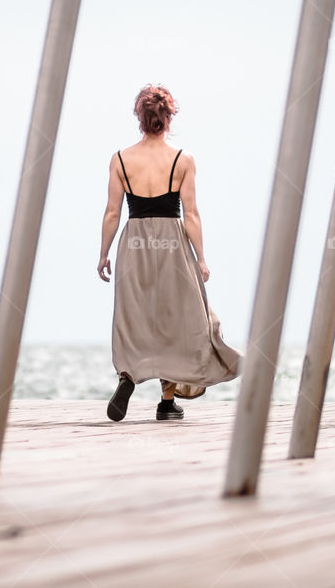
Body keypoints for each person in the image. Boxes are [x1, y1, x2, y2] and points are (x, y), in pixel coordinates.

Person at [98, 85, 241, 422]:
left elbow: (112, 213)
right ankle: (166, 401)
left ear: (140, 117)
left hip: (134, 240)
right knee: (175, 317)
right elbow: (191, 213)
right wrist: (201, 257)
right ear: (168, 116)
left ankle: (128, 376)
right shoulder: (182, 159)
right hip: (172, 242)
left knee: (134, 315)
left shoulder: (120, 159)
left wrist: (103, 254)